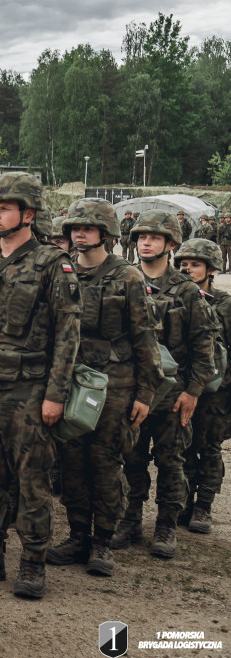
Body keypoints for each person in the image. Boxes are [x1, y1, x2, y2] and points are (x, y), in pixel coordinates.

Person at [0, 172, 80, 599]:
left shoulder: (51, 264)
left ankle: (33, 562)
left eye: (5, 208)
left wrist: (56, 394)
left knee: (32, 480)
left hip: (28, 391)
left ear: (29, 213)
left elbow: (67, 334)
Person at [46, 198, 163, 577]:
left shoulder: (128, 277)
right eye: (75, 228)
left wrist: (145, 394)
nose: (80, 233)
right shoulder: (61, 273)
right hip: (70, 381)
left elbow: (146, 339)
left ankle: (103, 541)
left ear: (106, 234)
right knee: (71, 463)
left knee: (106, 463)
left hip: (115, 385)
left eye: (89, 228)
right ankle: (78, 534)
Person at [114, 210, 217, 559]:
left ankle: (166, 524)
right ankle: (130, 520)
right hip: (133, 392)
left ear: (170, 244)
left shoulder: (187, 291)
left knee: (172, 462)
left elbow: (205, 350)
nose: (145, 242)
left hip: (172, 397)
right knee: (132, 459)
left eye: (154, 238)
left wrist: (192, 392)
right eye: (141, 236)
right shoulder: (124, 281)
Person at [173, 239, 229, 535]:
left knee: (208, 447)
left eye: (195, 265)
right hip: (182, 385)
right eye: (183, 264)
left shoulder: (224, 303)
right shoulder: (177, 298)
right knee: (181, 446)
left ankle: (204, 506)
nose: (188, 269)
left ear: (210, 269)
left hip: (215, 393)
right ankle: (183, 501)